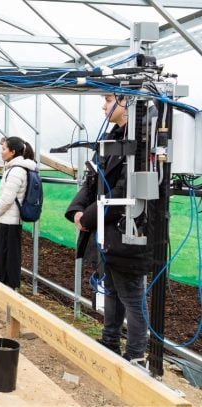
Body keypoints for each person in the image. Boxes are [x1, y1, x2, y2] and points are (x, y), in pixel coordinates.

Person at [65, 94, 152, 362]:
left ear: (126, 102)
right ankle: (110, 341)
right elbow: (92, 180)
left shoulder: (143, 141)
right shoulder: (111, 139)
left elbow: (126, 191)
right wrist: (78, 211)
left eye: (108, 100)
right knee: (112, 289)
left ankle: (136, 354)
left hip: (128, 231)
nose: (104, 106)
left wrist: (89, 218)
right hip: (109, 231)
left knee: (132, 296)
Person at [0, 137, 36, 289]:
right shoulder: (15, 168)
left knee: (8, 255)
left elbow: (7, 199)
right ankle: (3, 284)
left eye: (5, 149)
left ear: (13, 152)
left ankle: (8, 286)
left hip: (9, 220)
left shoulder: (16, 171)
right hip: (8, 219)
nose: (2, 151)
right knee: (5, 253)